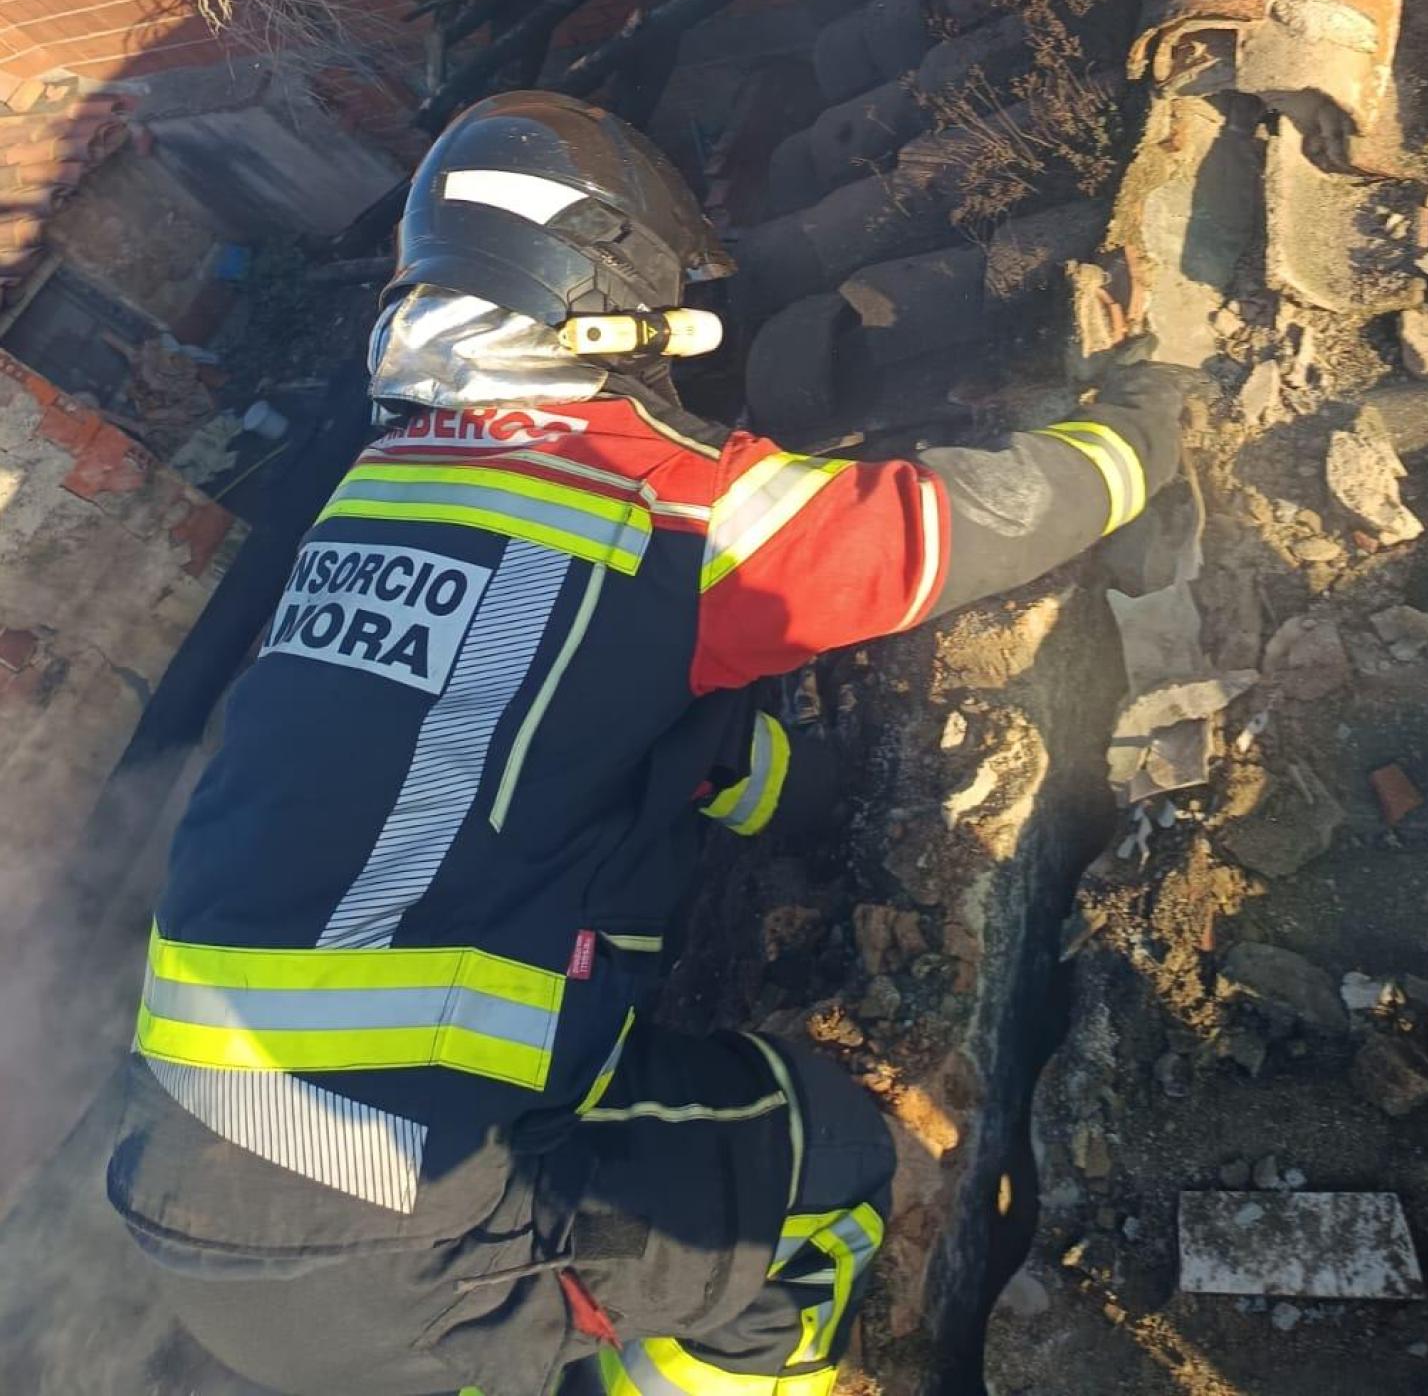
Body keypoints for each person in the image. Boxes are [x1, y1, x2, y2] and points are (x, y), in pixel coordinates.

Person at [107, 91, 1187, 1396]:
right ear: (606, 289)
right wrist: (1130, 430)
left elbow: (527, 721)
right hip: (391, 1207)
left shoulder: (382, 488)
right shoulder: (643, 495)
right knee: (832, 1176)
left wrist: (777, 788)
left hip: (176, 1170)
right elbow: (939, 529)